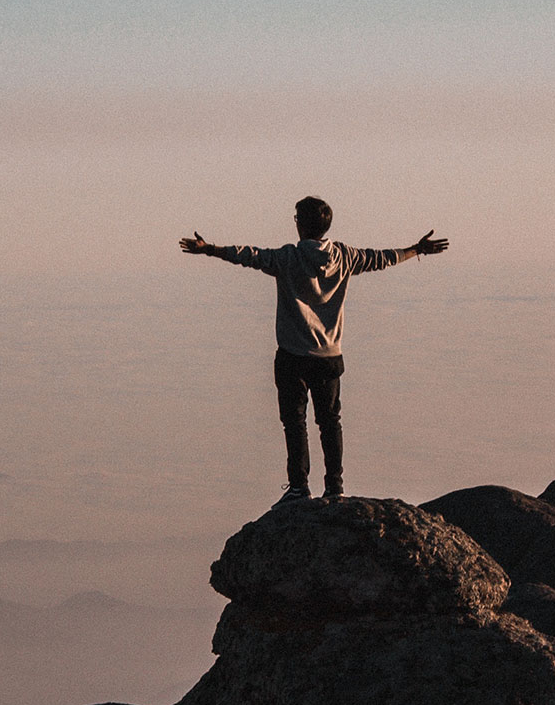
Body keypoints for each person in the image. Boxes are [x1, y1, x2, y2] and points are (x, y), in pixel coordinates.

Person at [179, 196, 448, 508]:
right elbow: (383, 258)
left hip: (293, 356)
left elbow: (249, 256)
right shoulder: (345, 256)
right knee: (330, 421)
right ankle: (335, 486)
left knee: (295, 423)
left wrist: (209, 249)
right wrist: (417, 250)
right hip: (330, 357)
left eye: (296, 218)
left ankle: (298, 488)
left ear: (302, 224)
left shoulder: (288, 258)